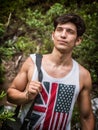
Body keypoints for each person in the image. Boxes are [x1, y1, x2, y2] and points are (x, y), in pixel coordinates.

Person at [7, 13, 95, 130]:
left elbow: (86, 117)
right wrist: (26, 95)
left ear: (78, 40)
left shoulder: (83, 75)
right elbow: (10, 94)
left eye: (70, 31)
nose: (63, 35)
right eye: (60, 30)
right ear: (53, 35)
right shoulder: (33, 62)